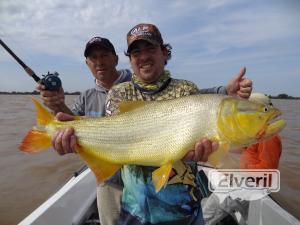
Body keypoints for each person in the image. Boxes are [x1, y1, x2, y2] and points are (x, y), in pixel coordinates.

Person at [50, 24, 252, 225]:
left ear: (165, 53)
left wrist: (208, 151)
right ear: (130, 60)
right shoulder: (119, 93)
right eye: (136, 52)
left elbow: (203, 128)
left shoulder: (186, 88)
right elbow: (112, 138)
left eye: (151, 49)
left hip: (184, 209)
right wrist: (75, 140)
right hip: (135, 210)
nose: (143, 56)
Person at [37, 36, 132, 225]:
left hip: (142, 173)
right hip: (108, 179)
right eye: (93, 57)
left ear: (115, 58)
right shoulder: (86, 97)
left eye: (104, 55)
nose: (99, 61)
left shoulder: (138, 84)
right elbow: (71, 124)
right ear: (87, 63)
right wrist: (58, 105)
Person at [240, 93, 282, 169]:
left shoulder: (269, 138)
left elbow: (267, 171)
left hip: (255, 180)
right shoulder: (254, 132)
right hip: (246, 179)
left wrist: (242, 170)